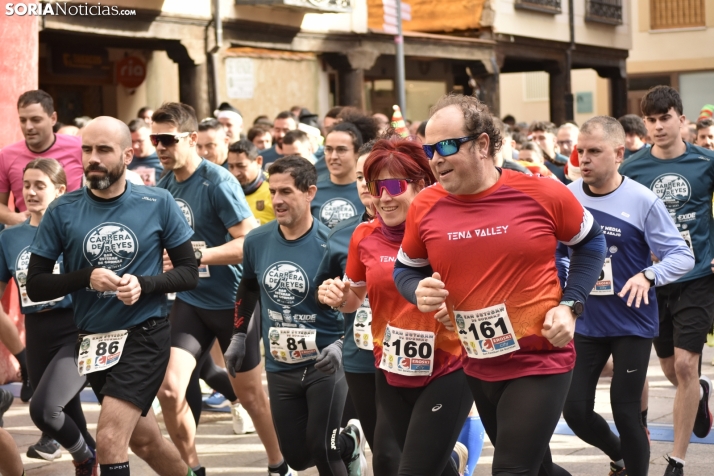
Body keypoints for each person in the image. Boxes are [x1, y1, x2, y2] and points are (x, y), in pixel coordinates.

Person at [394, 94, 606, 476]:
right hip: (478, 361)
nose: (435, 158)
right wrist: (417, 291)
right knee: (537, 468)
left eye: (445, 145)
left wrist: (570, 304)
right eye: (429, 148)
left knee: (511, 470)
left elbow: (591, 243)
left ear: (482, 144)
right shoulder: (425, 205)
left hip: (540, 358)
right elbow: (406, 271)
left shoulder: (541, 192)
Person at [26, 116, 200, 476]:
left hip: (144, 334)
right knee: (146, 441)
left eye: (103, 150)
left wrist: (144, 284)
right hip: (93, 340)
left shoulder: (158, 201)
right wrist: (85, 277)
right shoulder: (64, 209)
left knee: (108, 441)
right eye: (86, 149)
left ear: (128, 155)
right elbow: (36, 283)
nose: (93, 158)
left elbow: (188, 272)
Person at [320, 138, 472, 476]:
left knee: (413, 469)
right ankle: (452, 462)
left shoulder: (450, 230)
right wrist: (336, 295)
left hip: (449, 366)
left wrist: (459, 308)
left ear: (420, 184)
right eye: (376, 187)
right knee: (393, 461)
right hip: (391, 366)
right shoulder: (364, 235)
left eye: (393, 186)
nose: (384, 197)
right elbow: (354, 300)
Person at [152, 103, 284, 476]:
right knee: (171, 389)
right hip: (191, 301)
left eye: (167, 139)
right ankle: (192, 468)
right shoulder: (164, 184)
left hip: (233, 302)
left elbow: (248, 241)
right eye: (154, 139)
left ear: (192, 139)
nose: (159, 147)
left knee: (251, 396)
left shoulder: (218, 182)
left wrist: (196, 256)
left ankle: (279, 464)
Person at [558, 117, 694, 476]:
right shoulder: (567, 197)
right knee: (574, 411)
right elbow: (555, 250)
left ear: (618, 153)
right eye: (580, 151)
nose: (584, 159)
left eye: (594, 151)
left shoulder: (642, 200)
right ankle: (619, 453)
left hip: (631, 322)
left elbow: (682, 256)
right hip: (585, 318)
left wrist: (649, 275)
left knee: (626, 411)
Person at [223, 156, 365, 475]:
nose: (276, 200)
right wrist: (238, 336)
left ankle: (342, 448)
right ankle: (351, 445)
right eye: (273, 192)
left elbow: (360, 301)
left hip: (325, 362)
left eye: (286, 192)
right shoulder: (258, 240)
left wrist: (342, 345)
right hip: (280, 364)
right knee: (298, 458)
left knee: (323, 449)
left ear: (309, 192)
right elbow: (247, 289)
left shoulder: (334, 243)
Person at [619, 85, 714, 475]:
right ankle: (700, 395)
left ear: (681, 119)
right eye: (651, 120)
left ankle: (676, 460)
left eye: (665, 118)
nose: (658, 127)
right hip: (653, 280)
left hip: (697, 275)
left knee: (688, 366)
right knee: (672, 368)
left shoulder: (706, 162)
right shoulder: (633, 168)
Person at [0, 158, 99, 472]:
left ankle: (86, 459)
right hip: (37, 332)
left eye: (39, 185)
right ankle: (91, 460)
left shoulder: (76, 229)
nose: (30, 192)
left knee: (44, 410)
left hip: (76, 327)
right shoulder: (8, 237)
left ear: (59, 190)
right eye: (26, 185)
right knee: (69, 416)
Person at [314, 141, 402, 476]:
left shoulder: (419, 227)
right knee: (385, 448)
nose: (368, 184)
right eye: (362, 177)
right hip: (360, 351)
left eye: (375, 176)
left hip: (406, 352)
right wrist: (329, 292)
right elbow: (326, 288)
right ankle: (450, 460)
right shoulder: (343, 233)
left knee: (390, 458)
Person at [0, 90, 84, 225]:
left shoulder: (78, 147)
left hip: (72, 232)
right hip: (30, 236)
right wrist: (14, 219)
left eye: (35, 120)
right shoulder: (6, 155)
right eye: (23, 120)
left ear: (53, 119)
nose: (28, 127)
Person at [311, 123, 363, 229]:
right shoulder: (313, 189)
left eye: (341, 150)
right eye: (329, 149)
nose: (333, 156)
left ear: (357, 153)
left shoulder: (367, 189)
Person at [227, 140, 275, 225]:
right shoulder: (226, 190)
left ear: (259, 161)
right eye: (231, 166)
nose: (235, 173)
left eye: (241, 166)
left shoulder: (274, 188)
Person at [128, 118, 163, 186]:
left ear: (150, 138)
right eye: (132, 141)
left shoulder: (162, 159)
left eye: (140, 141)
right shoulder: (126, 160)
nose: (135, 146)